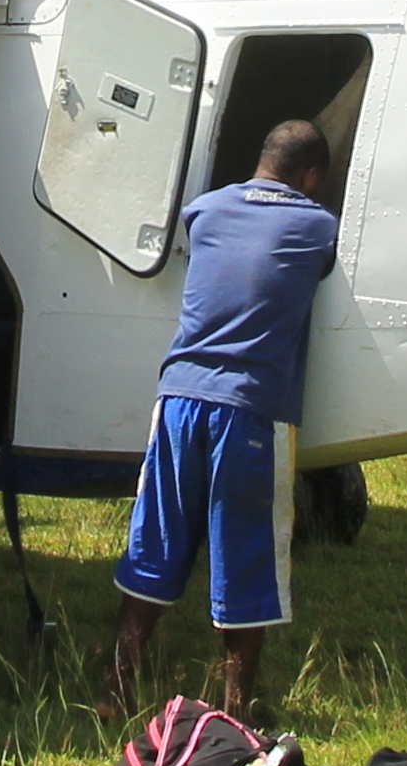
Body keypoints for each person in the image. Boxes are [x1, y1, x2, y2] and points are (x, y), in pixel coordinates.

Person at [109, 118, 340, 724]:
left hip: (179, 398)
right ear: (311, 177)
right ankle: (238, 707)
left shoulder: (205, 211)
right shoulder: (317, 225)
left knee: (155, 542)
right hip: (250, 411)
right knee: (247, 556)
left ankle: (116, 685)